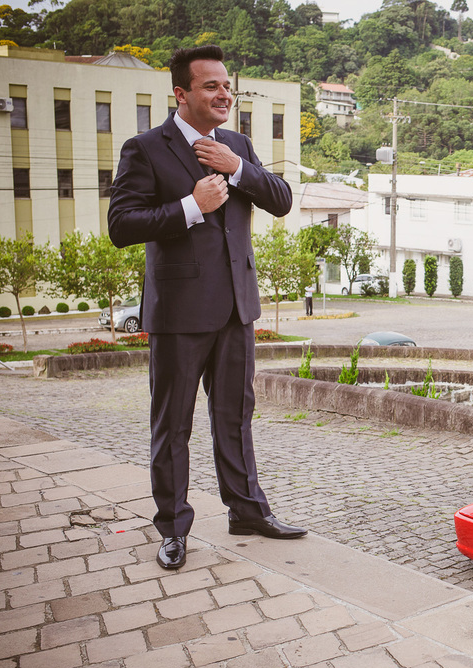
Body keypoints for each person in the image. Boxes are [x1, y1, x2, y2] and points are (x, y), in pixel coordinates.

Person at [108, 45, 307, 570]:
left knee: (235, 418)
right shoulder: (144, 149)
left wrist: (238, 168)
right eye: (211, 86)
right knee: (173, 426)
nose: (224, 95)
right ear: (181, 93)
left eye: (227, 86)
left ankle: (247, 512)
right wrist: (191, 206)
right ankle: (173, 529)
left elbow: (282, 200)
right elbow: (121, 226)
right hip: (178, 314)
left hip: (238, 309)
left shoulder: (237, 144)